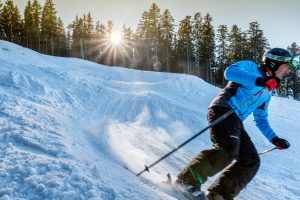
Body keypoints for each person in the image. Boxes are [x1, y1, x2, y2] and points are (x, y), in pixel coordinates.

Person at [176, 48, 298, 200]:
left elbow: (260, 118)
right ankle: (186, 182)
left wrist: (274, 139)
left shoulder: (268, 91)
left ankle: (219, 194)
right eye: (286, 66)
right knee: (228, 149)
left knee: (251, 160)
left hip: (236, 120)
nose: (287, 70)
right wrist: (260, 80)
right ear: (274, 63)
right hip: (223, 109)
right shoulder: (251, 67)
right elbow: (230, 72)